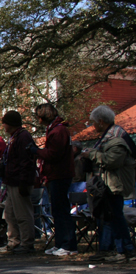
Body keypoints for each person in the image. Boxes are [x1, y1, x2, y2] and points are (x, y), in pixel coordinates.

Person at [79, 105, 136, 263]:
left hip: (113, 183)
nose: (93, 126)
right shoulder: (107, 136)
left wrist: (91, 154)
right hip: (105, 184)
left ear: (101, 121)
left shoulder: (116, 138)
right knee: (108, 217)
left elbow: (112, 161)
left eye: (94, 122)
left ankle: (127, 250)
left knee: (116, 216)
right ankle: (107, 249)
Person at [30, 104, 77, 257]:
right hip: (56, 174)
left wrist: (37, 151)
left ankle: (68, 244)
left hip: (60, 174)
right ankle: (60, 243)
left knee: (62, 211)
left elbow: (53, 154)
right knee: (57, 211)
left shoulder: (58, 131)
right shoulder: (56, 129)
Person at [0, 110, 38, 254]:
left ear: (11, 123)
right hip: (10, 181)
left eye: (5, 123)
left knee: (22, 214)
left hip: (19, 182)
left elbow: (26, 162)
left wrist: (23, 182)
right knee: (9, 214)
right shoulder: (14, 137)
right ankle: (13, 242)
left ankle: (27, 243)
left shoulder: (23, 137)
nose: (3, 126)